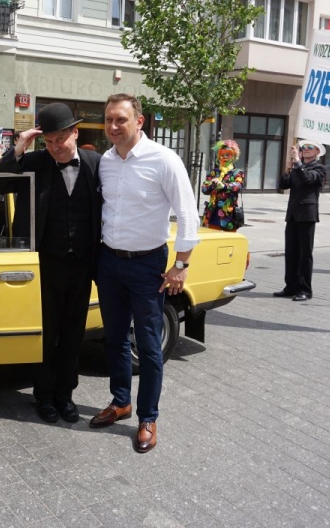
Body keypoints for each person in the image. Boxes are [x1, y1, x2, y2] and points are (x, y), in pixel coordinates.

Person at [89, 93, 198, 454]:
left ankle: (148, 417)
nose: (113, 126)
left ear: (139, 121)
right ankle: (121, 402)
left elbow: (188, 214)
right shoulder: (105, 161)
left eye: (121, 119)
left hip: (147, 264)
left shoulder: (164, 159)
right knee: (115, 338)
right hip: (109, 261)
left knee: (149, 346)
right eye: (109, 120)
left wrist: (180, 265)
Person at [0, 103, 102, 424]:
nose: (54, 147)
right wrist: (19, 147)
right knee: (47, 333)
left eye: (60, 140)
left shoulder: (96, 164)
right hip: (44, 265)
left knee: (73, 334)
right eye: (48, 141)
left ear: (75, 133)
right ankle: (44, 395)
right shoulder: (35, 162)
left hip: (81, 265)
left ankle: (66, 395)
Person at [273, 140, 327, 302]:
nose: (306, 149)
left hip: (307, 215)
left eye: (310, 147)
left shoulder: (320, 168)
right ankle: (290, 286)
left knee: (305, 254)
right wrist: (287, 170)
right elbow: (284, 185)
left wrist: (297, 162)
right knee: (291, 252)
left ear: (317, 152)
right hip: (293, 214)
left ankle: (305, 289)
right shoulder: (298, 167)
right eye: (304, 147)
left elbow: (308, 179)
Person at [201, 140, 245, 231]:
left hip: (228, 216)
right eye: (222, 154)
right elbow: (204, 189)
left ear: (234, 156)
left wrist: (224, 186)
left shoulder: (237, 173)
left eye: (227, 155)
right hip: (212, 214)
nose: (224, 157)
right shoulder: (215, 172)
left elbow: (238, 186)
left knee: (228, 239)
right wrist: (212, 185)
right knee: (211, 237)